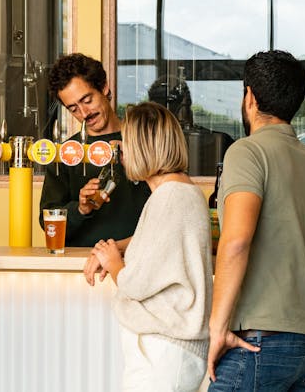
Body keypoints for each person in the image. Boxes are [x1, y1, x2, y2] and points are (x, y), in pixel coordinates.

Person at [207, 50, 305, 391]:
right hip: (304, 341)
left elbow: (236, 241)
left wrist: (217, 329)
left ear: (250, 96)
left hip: (258, 340)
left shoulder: (248, 151)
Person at [90, 101, 213, 392]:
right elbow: (161, 243)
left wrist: (113, 263)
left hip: (163, 350)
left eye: (126, 145)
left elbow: (136, 282)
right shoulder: (182, 192)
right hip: (170, 349)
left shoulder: (169, 197)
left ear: (144, 147)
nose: (121, 154)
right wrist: (116, 248)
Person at [39, 53, 150, 247]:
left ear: (104, 87)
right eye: (73, 108)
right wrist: (80, 209)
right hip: (83, 266)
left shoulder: (147, 141)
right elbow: (48, 224)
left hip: (139, 261)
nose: (84, 113)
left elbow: (170, 201)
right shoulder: (66, 153)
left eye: (87, 100)